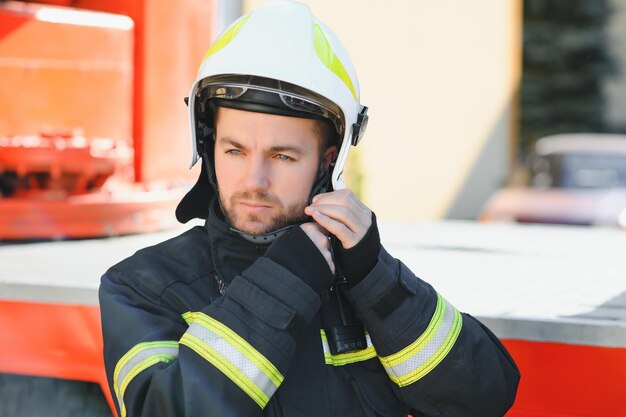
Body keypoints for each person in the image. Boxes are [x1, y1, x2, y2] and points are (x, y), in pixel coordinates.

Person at [99, 2, 520, 416]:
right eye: (235, 150)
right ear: (208, 147)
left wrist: (379, 281)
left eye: (283, 156)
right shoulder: (141, 285)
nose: (254, 181)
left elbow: (484, 397)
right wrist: (283, 282)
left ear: (327, 160)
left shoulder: (361, 279)